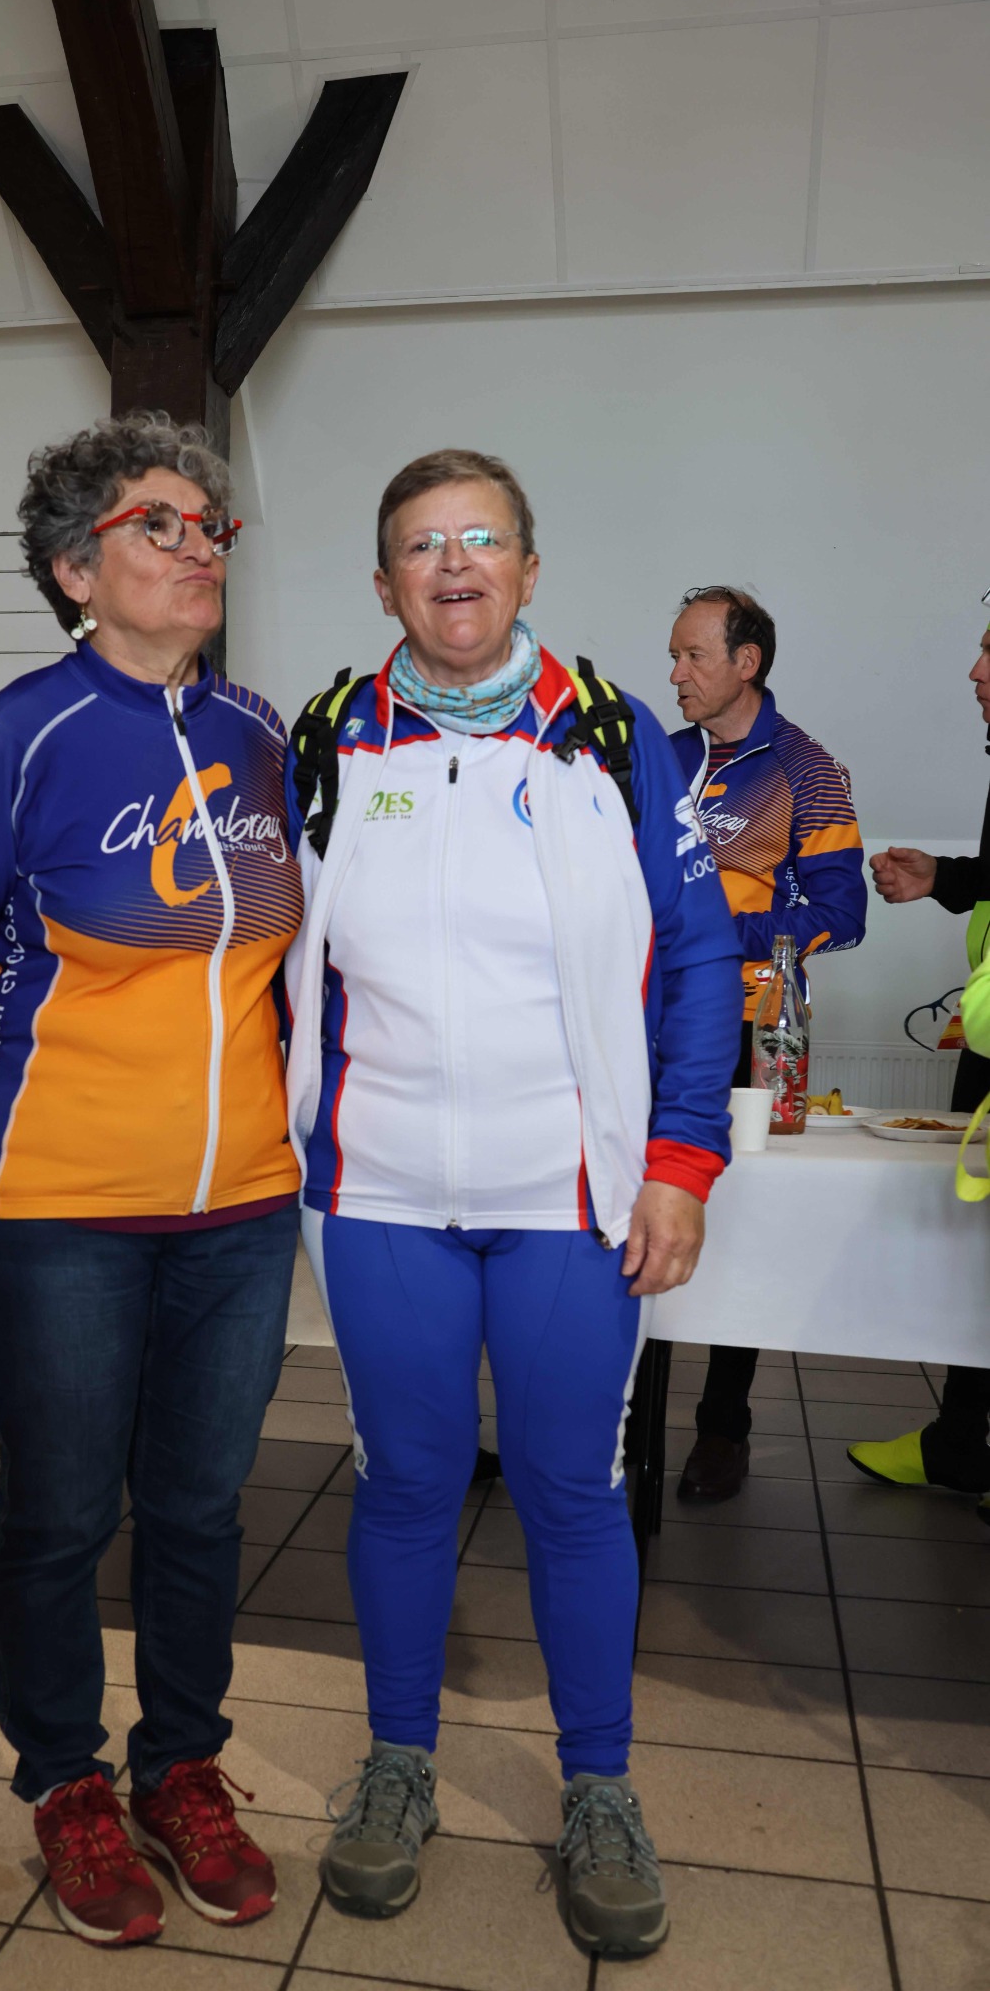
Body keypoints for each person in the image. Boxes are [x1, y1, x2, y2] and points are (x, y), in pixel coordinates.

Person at [284, 449, 743, 1957]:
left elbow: (697, 960)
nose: (455, 563)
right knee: (406, 1485)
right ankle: (398, 1763)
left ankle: (598, 1786)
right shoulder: (329, 738)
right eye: (423, 545)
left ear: (529, 570)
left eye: (482, 537)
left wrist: (678, 1162)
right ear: (385, 586)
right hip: (382, 1190)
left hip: (569, 1195)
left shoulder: (611, 736)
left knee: (569, 1490)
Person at [0, 411, 303, 1948]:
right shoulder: (15, 736)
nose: (196, 549)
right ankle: (65, 1780)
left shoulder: (257, 729)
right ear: (75, 568)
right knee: (61, 1510)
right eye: (156, 526)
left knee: (198, 1506)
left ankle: (181, 1766)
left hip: (240, 1204)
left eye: (208, 526)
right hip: (55, 1207)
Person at [667, 587, 866, 1501]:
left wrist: (707, 934)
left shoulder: (805, 770)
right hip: (647, 1018)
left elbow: (840, 913)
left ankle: (722, 1428)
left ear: (745, 663)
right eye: (673, 657)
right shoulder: (661, 758)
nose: (675, 675)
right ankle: (621, 1414)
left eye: (693, 656)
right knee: (629, 1207)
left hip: (746, 1025)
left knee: (733, 1223)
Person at [855, 618, 990, 1520]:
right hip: (984, 1033)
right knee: (973, 1242)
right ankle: (957, 1441)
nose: (974, 671)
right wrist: (943, 877)